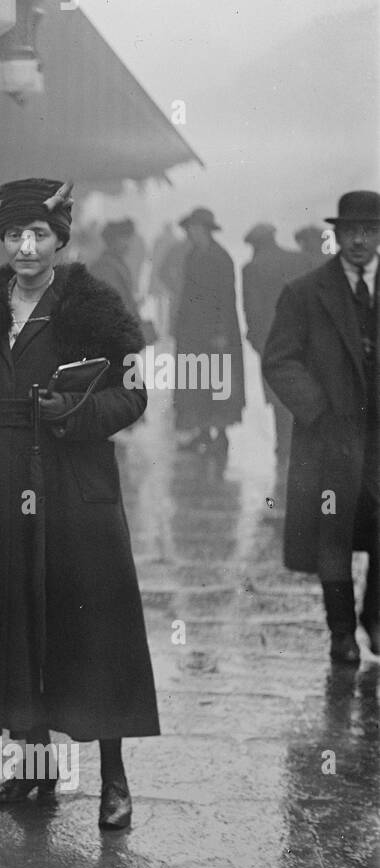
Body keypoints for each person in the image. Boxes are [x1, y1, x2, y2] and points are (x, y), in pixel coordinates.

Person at [0, 178, 161, 829]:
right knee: (15, 620)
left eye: (38, 233)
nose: (26, 246)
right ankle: (35, 770)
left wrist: (76, 411)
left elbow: (133, 396)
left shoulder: (91, 305)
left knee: (91, 625)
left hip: (75, 487)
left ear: (59, 238)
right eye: (14, 233)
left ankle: (114, 780)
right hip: (1, 478)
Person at [263, 191, 380, 664]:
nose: (359, 240)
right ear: (335, 235)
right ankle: (342, 633)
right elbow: (279, 360)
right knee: (333, 536)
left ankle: (375, 619)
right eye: (350, 231)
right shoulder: (306, 292)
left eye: (370, 231)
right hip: (330, 441)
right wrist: (319, 410)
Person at [173, 206, 246, 456]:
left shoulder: (220, 257)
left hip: (216, 334)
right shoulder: (193, 255)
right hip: (194, 333)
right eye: (189, 229)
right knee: (198, 383)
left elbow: (226, 298)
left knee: (219, 383)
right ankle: (203, 432)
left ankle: (222, 436)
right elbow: (187, 295)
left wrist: (221, 332)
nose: (190, 233)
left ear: (205, 230)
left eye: (194, 228)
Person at [241, 223, 302, 463]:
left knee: (279, 396)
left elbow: (253, 310)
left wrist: (256, 340)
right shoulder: (299, 260)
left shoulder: (252, 268)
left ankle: (284, 445)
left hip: (272, 340)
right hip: (301, 337)